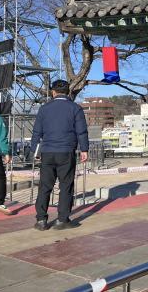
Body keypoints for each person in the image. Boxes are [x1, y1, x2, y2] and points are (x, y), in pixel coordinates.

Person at [30, 80, 89, 230]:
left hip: (47, 152)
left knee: (45, 186)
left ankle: (41, 220)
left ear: (53, 92)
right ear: (68, 92)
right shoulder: (75, 108)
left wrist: (35, 151)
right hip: (66, 152)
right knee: (66, 186)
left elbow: (37, 132)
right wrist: (84, 149)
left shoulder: (44, 109)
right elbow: (81, 131)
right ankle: (62, 220)